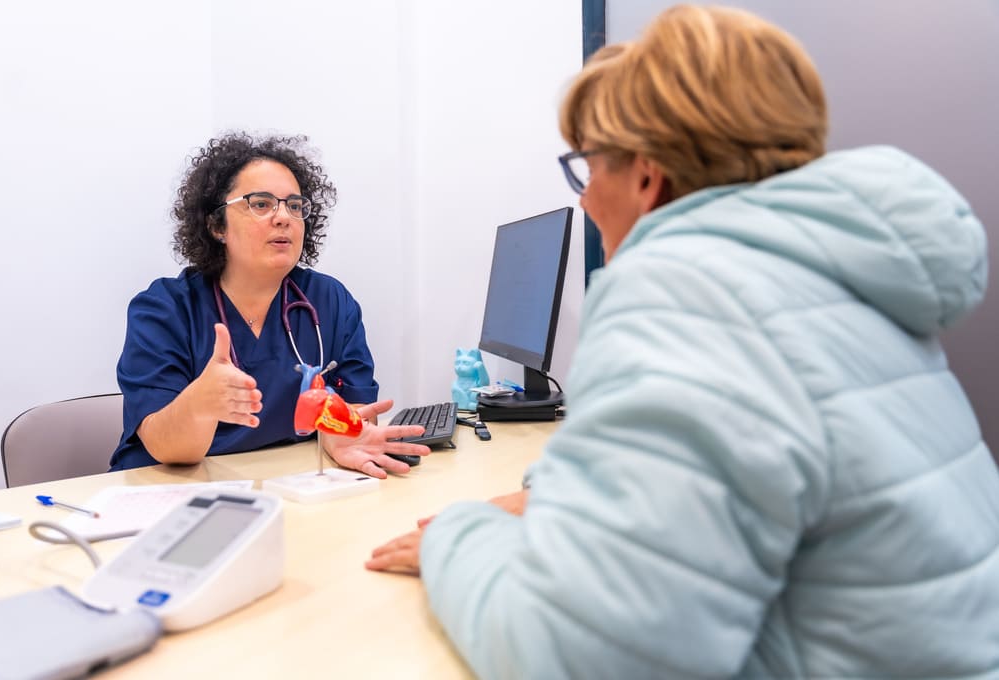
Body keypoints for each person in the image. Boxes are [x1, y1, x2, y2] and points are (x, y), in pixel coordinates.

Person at [367, 5, 999, 678]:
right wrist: (563, 492)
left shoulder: (684, 301)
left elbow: (583, 659)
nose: (584, 201)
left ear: (645, 174)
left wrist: (459, 535)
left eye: (588, 168)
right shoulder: (837, 290)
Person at [111, 132, 429, 476]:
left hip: (290, 485)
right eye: (261, 204)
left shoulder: (329, 301)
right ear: (217, 224)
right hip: (170, 492)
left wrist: (340, 433)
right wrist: (199, 404)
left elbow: (357, 410)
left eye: (294, 206)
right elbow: (166, 449)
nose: (284, 217)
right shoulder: (165, 309)